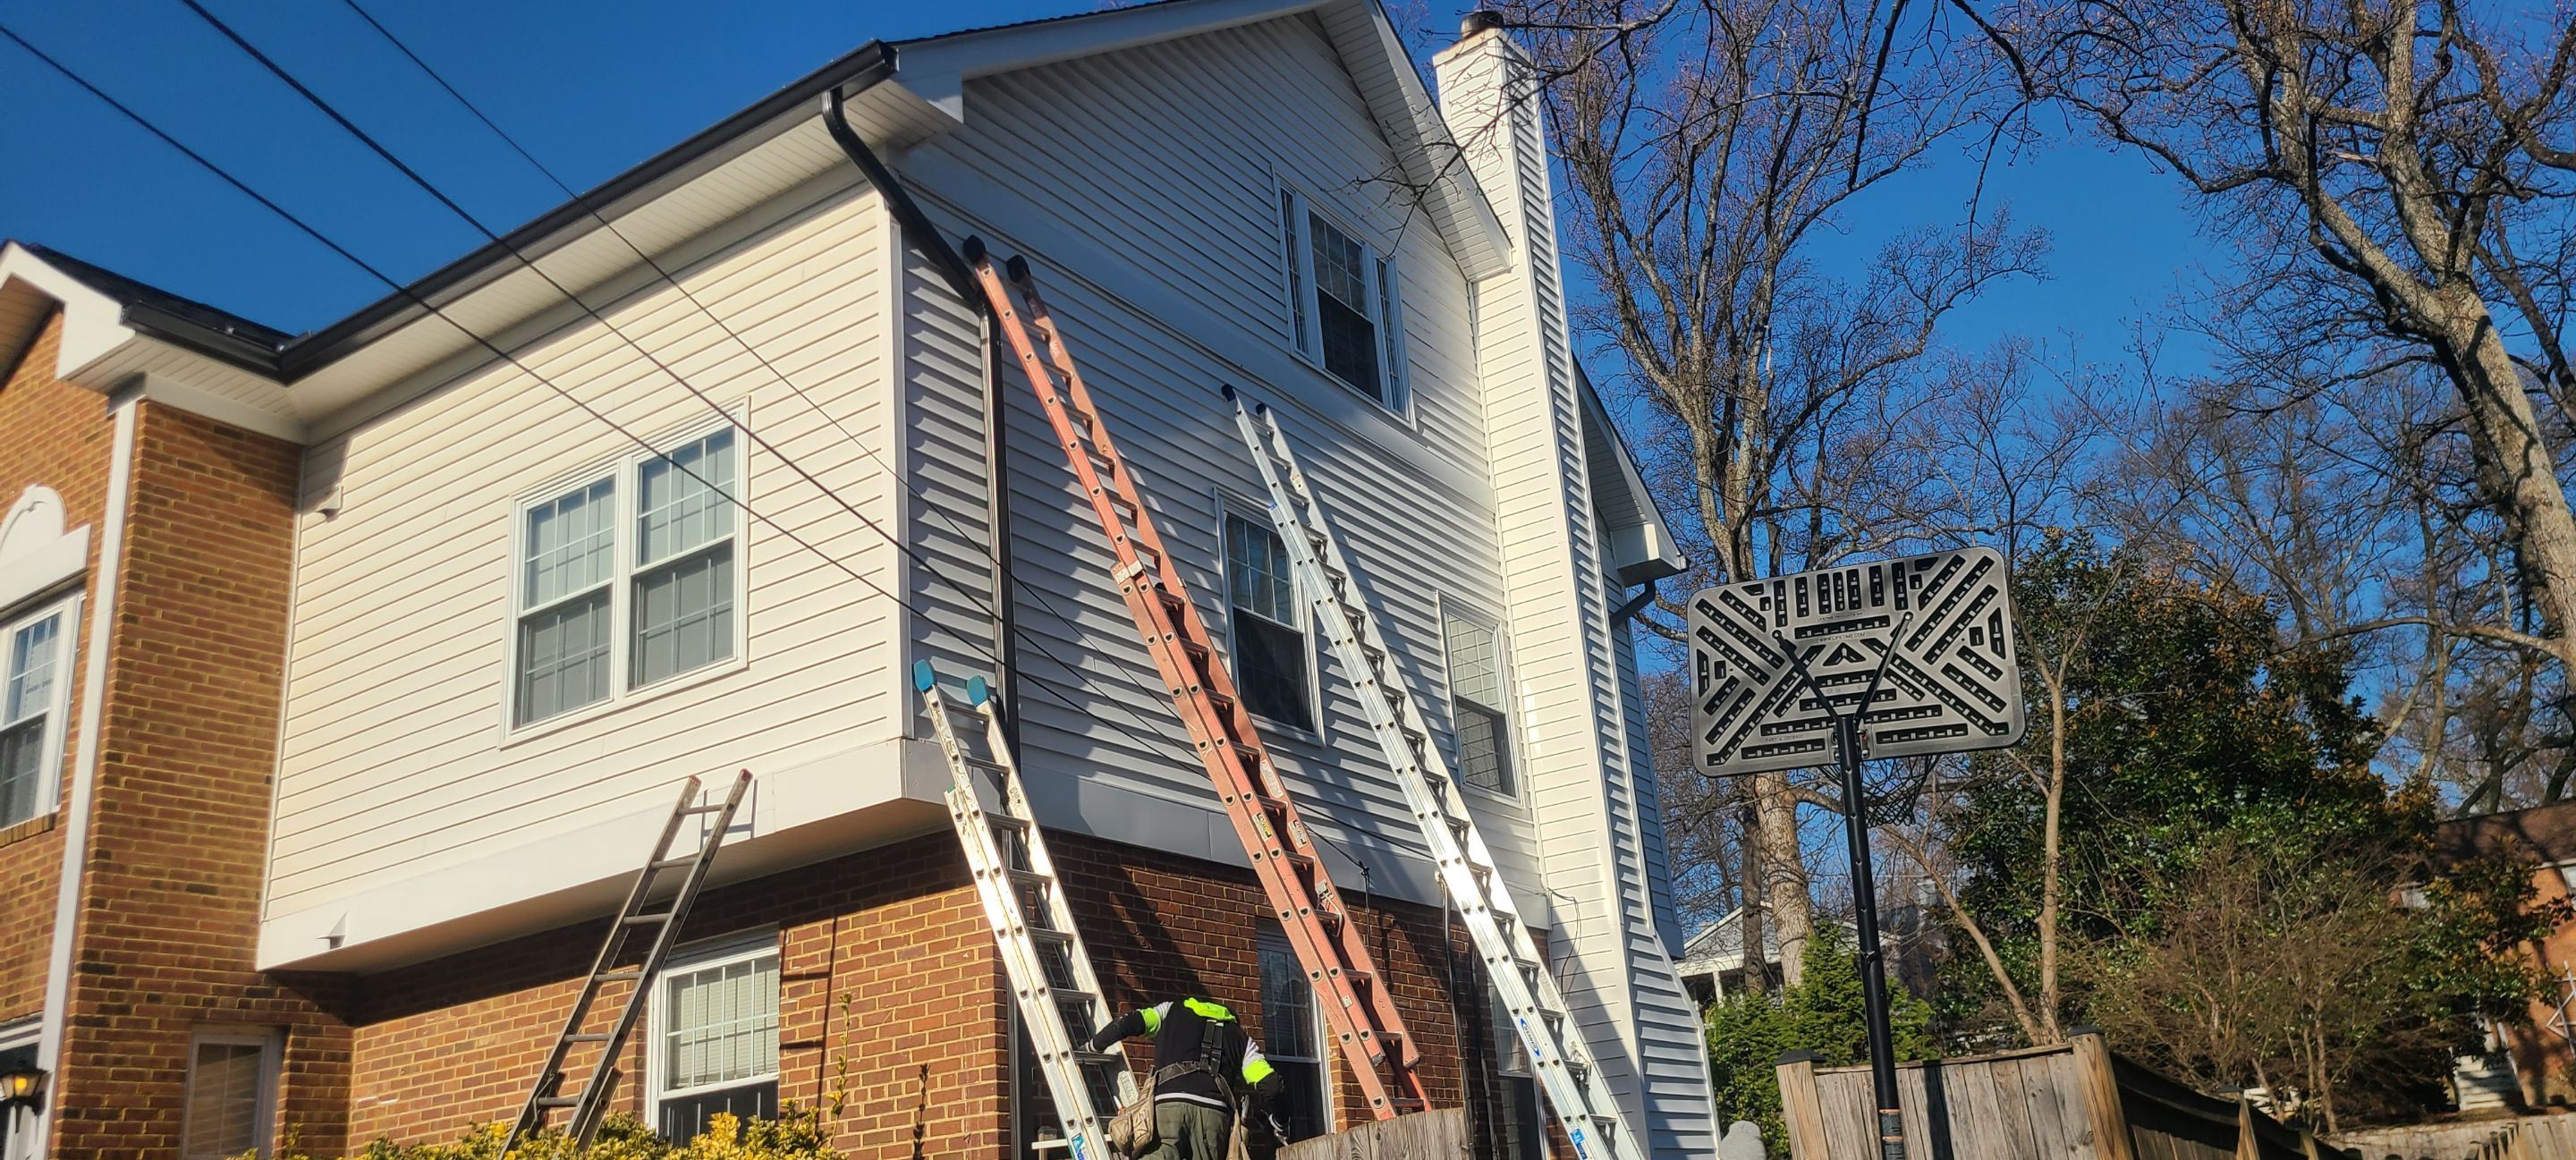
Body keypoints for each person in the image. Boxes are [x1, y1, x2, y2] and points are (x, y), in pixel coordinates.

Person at [1087, 996, 1287, 1157]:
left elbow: (1128, 1022)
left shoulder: (1170, 1011)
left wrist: (1093, 1046)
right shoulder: (1241, 1038)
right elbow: (1272, 1086)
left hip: (1167, 1106)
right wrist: (1279, 1123)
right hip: (1213, 1115)